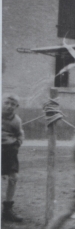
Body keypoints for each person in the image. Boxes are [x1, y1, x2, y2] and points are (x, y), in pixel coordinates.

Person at [2, 93, 25, 222]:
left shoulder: (17, 120)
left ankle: (7, 210)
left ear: (16, 106)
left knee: (13, 178)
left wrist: (17, 144)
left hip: (9, 151)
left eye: (13, 104)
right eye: (7, 103)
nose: (9, 106)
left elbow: (20, 134)